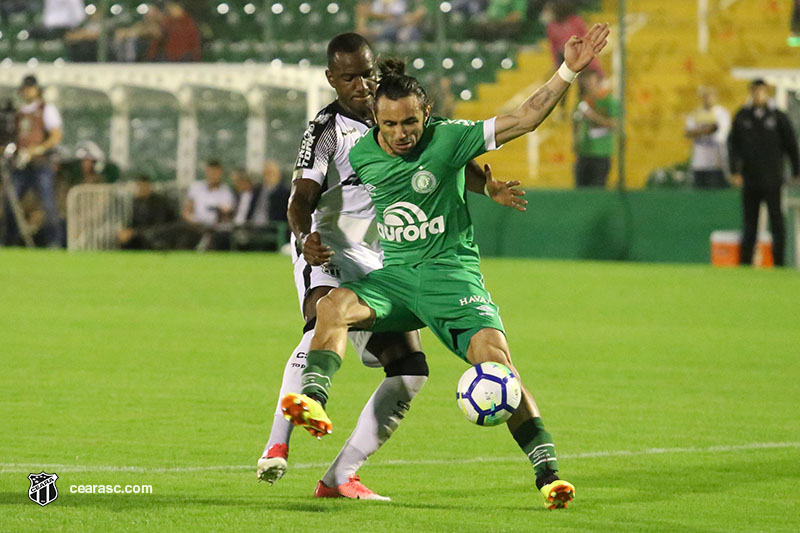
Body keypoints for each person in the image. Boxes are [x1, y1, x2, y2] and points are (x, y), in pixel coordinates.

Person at [280, 23, 610, 510]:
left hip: (451, 281)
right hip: (395, 278)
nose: (399, 135)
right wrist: (307, 233)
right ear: (375, 118)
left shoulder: (450, 138)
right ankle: (313, 398)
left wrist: (566, 71)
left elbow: (524, 118)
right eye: (389, 125)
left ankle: (548, 473)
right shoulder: (361, 150)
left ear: (426, 114)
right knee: (333, 306)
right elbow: (312, 193)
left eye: (409, 123)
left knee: (497, 365)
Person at [257, 32, 527, 500]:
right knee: (321, 323)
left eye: (366, 72)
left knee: (411, 370)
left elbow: (448, 160)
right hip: (332, 249)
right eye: (348, 77)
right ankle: (277, 445)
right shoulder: (326, 130)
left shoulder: (400, 111)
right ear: (331, 79)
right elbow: (299, 200)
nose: (360, 83)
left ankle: (341, 477)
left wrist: (489, 190)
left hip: (387, 259)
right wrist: (305, 240)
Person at [729, 79, 800, 267]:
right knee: (749, 223)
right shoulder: (742, 117)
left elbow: (791, 145)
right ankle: (745, 263)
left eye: (761, 91)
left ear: (767, 92)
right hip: (750, 179)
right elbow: (733, 146)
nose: (758, 95)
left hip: (773, 179)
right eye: (754, 91)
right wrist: (735, 171)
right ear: (750, 93)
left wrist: (796, 170)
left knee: (777, 221)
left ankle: (779, 263)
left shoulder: (778, 117)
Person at [3, 75, 64, 247]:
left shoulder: (46, 109)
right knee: (11, 203)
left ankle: (54, 242)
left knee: (47, 203)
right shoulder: (20, 113)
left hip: (41, 163)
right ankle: (9, 241)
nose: (27, 91)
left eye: (30, 88)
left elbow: (55, 136)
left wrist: (36, 150)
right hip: (21, 164)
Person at [573, 69, 617, 187]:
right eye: (585, 83)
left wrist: (593, 116)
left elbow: (615, 124)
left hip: (601, 154)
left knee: (597, 190)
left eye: (590, 82)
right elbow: (576, 124)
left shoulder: (608, 101)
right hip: (583, 153)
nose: (588, 86)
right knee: (580, 192)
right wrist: (576, 141)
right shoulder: (581, 102)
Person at [685, 87, 731, 189]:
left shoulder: (721, 113)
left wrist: (700, 131)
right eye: (705, 96)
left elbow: (719, 133)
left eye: (710, 96)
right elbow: (688, 132)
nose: (707, 98)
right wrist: (706, 129)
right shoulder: (695, 113)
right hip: (699, 162)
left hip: (716, 162)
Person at [117, 174, 177, 250]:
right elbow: (133, 223)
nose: (141, 189)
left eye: (144, 186)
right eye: (139, 186)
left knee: (148, 235)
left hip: (160, 232)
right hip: (142, 232)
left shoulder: (159, 202)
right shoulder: (136, 202)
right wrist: (126, 231)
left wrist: (135, 232)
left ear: (149, 186)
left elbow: (158, 224)